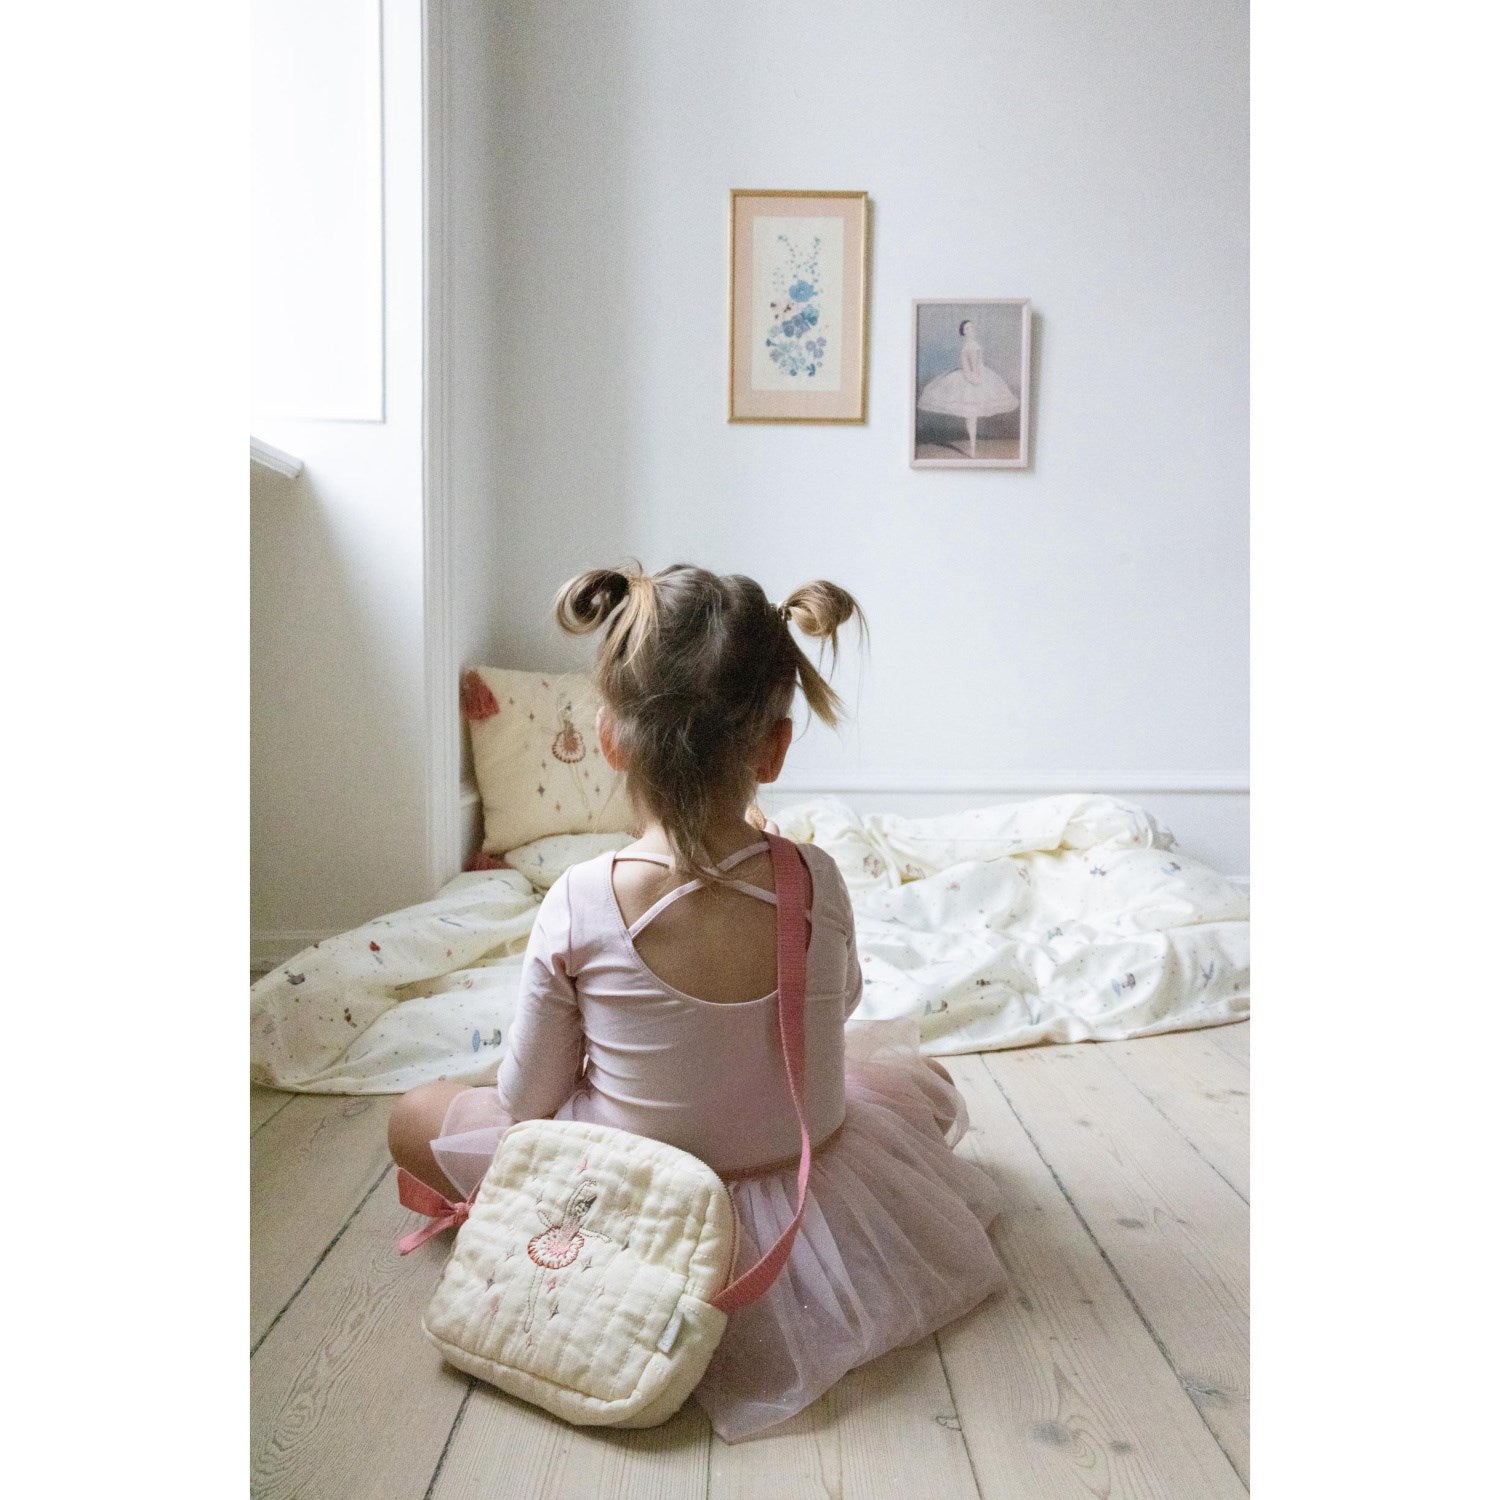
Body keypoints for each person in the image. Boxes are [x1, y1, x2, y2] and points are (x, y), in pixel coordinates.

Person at [388, 562, 1005, 1441]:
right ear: (775, 749)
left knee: (418, 1114)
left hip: (632, 1202)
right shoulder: (815, 879)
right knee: (921, 1087)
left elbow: (528, 1104)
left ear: (609, 737)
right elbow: (838, 1008)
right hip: (799, 1191)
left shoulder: (581, 898)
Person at [916, 317, 1020, 457]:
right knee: (971, 415)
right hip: (970, 379)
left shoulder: (973, 344)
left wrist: (979, 376)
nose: (970, 330)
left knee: (972, 415)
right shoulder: (967, 347)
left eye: (971, 327)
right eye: (967, 328)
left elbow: (978, 364)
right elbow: (967, 367)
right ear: (963, 332)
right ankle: (972, 449)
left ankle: (972, 448)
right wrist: (973, 379)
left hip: (981, 376)